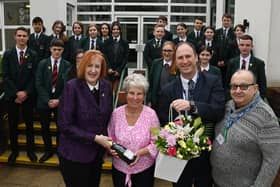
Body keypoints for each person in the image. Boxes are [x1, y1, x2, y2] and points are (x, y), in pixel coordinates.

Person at [157, 42, 225, 187]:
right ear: (176, 61)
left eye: (188, 56)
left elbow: (218, 110)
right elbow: (163, 120)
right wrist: (173, 128)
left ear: (196, 58)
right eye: (180, 57)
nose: (185, 61)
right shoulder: (167, 90)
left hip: (206, 155)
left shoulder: (213, 81)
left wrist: (192, 106)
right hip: (178, 158)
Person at [211, 70, 280, 187]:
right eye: (234, 86)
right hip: (217, 181)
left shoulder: (266, 118)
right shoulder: (228, 106)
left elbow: (272, 160)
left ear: (255, 88)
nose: (237, 91)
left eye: (244, 86)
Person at [58, 50, 113, 187]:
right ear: (83, 67)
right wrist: (94, 138)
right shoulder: (72, 87)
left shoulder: (106, 86)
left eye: (97, 66)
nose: (93, 70)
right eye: (89, 66)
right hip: (75, 156)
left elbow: (106, 119)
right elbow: (65, 125)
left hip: (96, 155)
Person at [108, 73, 160, 187]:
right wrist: (110, 148)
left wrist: (140, 153)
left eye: (139, 94)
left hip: (144, 170)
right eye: (131, 93)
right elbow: (110, 137)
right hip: (119, 169)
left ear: (144, 95)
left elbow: (157, 142)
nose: (135, 97)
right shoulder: (116, 113)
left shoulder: (151, 115)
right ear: (126, 93)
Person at [2, 27, 38, 164]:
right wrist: (17, 92)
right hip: (13, 96)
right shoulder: (8, 54)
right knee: (12, 125)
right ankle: (14, 151)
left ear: (28, 37)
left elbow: (34, 76)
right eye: (19, 35)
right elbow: (6, 76)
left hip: (28, 97)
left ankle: (31, 151)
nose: (22, 38)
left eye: (24, 36)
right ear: (15, 37)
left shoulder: (33, 55)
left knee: (29, 124)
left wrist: (26, 92)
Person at [36, 39, 71, 163]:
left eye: (59, 50)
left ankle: (60, 151)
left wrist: (59, 100)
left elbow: (68, 86)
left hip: (60, 103)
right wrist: (48, 100)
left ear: (63, 51)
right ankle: (48, 151)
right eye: (54, 49)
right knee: (45, 128)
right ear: (50, 49)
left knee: (60, 128)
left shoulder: (67, 65)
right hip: (44, 102)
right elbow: (38, 83)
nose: (57, 52)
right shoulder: (42, 64)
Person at [225, 34, 267, 100]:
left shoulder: (259, 63)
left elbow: (262, 85)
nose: (244, 48)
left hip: (252, 100)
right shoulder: (232, 62)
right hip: (234, 99)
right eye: (242, 45)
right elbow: (227, 83)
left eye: (247, 45)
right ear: (238, 46)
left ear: (251, 46)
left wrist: (257, 100)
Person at [147, 41, 177, 113]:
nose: (167, 53)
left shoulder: (178, 65)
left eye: (169, 51)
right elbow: (151, 83)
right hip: (156, 101)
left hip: (172, 103)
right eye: (165, 50)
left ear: (174, 52)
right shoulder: (156, 63)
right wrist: (149, 100)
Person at [103, 21, 129, 97]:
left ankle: (116, 107)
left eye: (117, 29)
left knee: (117, 93)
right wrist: (108, 68)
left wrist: (118, 70)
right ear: (111, 31)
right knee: (108, 93)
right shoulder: (107, 42)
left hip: (119, 73)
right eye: (114, 29)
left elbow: (126, 58)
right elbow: (105, 56)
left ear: (120, 31)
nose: (115, 31)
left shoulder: (125, 43)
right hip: (109, 72)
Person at [215, 13, 235, 85]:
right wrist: (217, 61)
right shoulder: (216, 32)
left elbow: (233, 50)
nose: (226, 22)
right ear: (222, 21)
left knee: (227, 82)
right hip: (217, 62)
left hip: (228, 63)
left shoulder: (234, 33)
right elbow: (215, 47)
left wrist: (225, 62)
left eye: (228, 20)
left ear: (231, 22)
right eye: (224, 20)